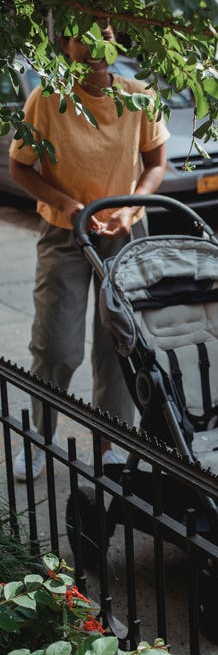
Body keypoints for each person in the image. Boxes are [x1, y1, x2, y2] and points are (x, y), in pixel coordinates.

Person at [9, 28, 169, 480]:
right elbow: (19, 167)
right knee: (56, 347)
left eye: (107, 33)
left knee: (118, 343)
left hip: (124, 236)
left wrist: (132, 205)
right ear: (64, 46)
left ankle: (110, 442)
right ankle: (40, 438)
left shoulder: (139, 96)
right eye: (83, 36)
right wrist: (66, 204)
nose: (97, 46)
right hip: (65, 235)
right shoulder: (47, 99)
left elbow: (156, 165)